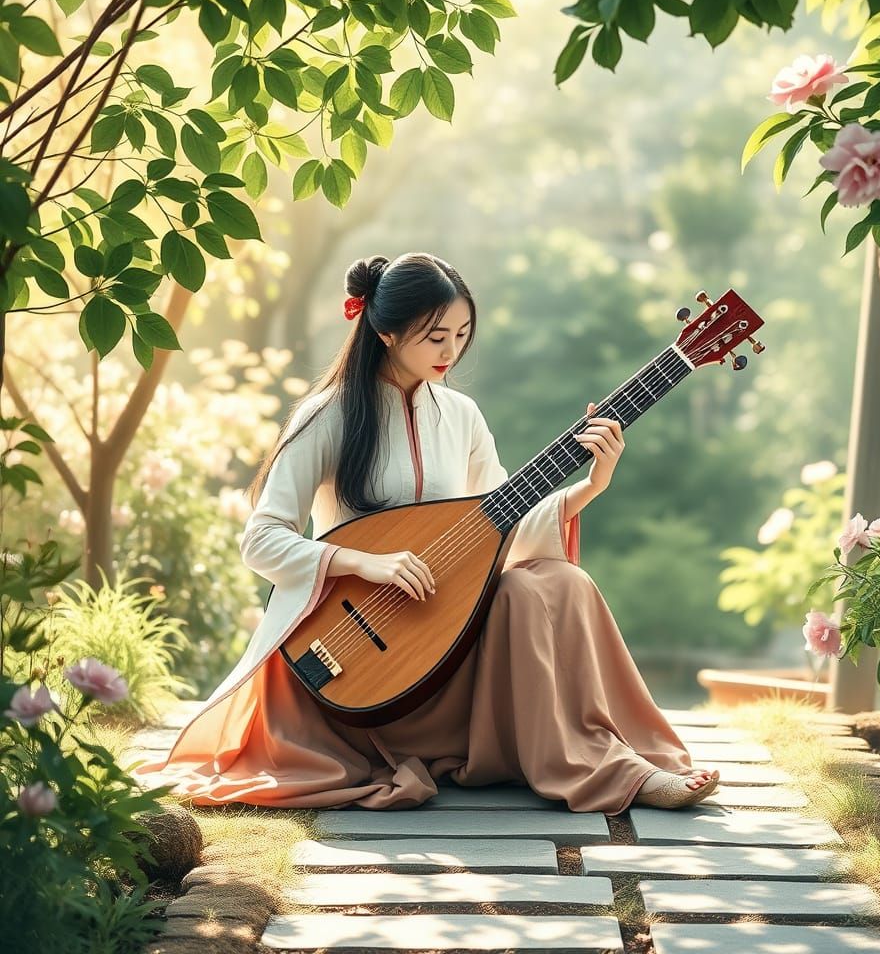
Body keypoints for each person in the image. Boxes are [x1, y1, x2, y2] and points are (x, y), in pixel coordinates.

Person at [133, 252, 720, 813]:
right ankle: (584, 763)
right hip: (357, 666)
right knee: (540, 583)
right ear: (386, 331)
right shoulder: (328, 414)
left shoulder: (461, 415)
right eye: (436, 336)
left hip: (445, 651)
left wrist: (592, 484)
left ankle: (609, 765)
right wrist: (365, 563)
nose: (451, 350)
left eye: (462, 334)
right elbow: (260, 539)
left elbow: (502, 528)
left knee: (555, 583)